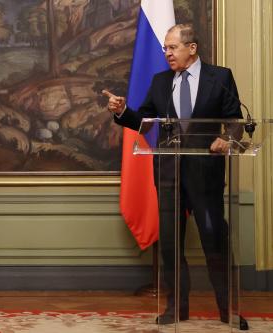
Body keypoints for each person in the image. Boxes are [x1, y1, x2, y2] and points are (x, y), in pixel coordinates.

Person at [104, 24, 248, 330]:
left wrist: (227, 138)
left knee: (215, 242)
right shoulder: (160, 82)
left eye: (172, 47)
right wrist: (122, 110)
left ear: (191, 48)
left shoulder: (220, 78)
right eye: (165, 48)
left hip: (206, 175)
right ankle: (176, 308)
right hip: (168, 175)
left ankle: (228, 309)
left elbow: (235, 119)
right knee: (170, 244)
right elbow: (144, 122)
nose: (167, 53)